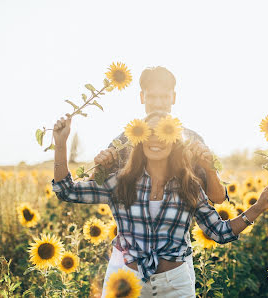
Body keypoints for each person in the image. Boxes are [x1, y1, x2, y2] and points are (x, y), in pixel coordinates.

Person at [51, 113, 268, 297]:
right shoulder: (121, 182)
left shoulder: (189, 186)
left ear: (174, 139)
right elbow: (66, 190)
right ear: (139, 140)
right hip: (127, 285)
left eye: (164, 131)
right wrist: (61, 144)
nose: (155, 139)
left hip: (176, 287)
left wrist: (257, 208)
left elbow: (219, 232)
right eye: (149, 132)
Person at [91, 66, 228, 296]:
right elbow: (98, 185)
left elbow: (217, 198)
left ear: (173, 98)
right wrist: (99, 168)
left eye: (164, 96)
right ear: (142, 97)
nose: (158, 103)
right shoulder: (124, 141)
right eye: (152, 96)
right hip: (128, 257)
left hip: (174, 260)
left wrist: (210, 169)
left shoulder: (191, 140)